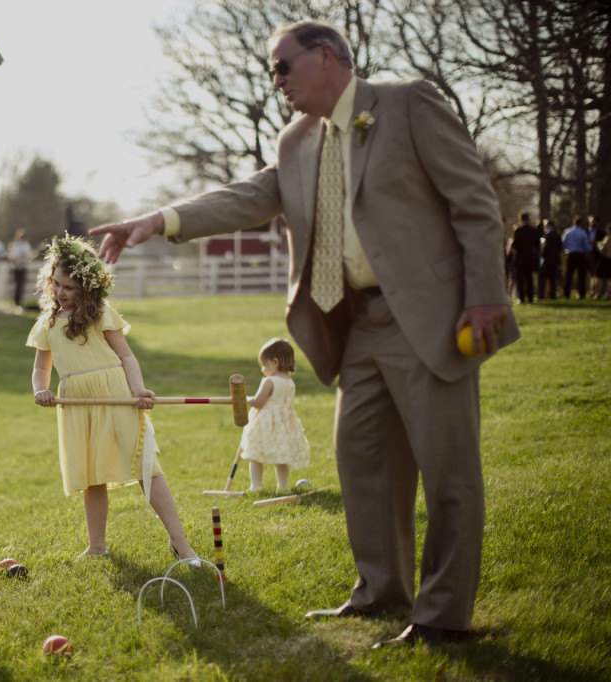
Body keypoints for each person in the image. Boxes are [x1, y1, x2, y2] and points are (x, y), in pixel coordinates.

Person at [90, 20, 519, 647]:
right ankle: (380, 593)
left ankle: (443, 618)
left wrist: (485, 296)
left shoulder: (407, 103)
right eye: (272, 71)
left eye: (282, 67)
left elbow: (476, 202)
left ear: (326, 57)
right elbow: (247, 197)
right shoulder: (297, 142)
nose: (276, 80)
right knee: (363, 460)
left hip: (430, 316)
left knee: (447, 471)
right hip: (359, 327)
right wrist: (157, 221)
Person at [27, 234, 199, 563]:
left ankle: (181, 544)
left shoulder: (100, 314)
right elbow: (40, 367)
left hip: (116, 394)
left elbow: (128, 357)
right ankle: (97, 545)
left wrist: (138, 390)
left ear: (87, 288)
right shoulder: (46, 324)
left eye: (69, 288)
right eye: (57, 284)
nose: (61, 293)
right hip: (78, 403)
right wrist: (41, 390)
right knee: (92, 476)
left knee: (146, 465)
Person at [239, 338, 311, 494]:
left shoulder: (269, 381)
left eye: (265, 365)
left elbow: (259, 402)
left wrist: (244, 399)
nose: (263, 370)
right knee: (281, 456)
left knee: (255, 454)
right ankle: (283, 486)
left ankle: (256, 486)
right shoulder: (289, 381)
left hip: (266, 424)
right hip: (284, 424)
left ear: (275, 362)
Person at [511, 212, 540, 303]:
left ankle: (522, 298)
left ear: (520, 219)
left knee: (520, 279)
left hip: (520, 258)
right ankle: (531, 297)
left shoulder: (518, 230)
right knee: (529, 278)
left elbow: (515, 245)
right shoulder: (533, 230)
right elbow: (537, 244)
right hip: (530, 257)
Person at [562, 215, 591, 300]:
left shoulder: (567, 232)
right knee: (581, 275)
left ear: (573, 222)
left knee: (568, 275)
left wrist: (567, 249)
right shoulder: (582, 233)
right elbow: (586, 245)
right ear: (581, 223)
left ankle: (566, 294)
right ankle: (581, 294)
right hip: (580, 255)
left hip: (571, 255)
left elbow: (563, 243)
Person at [7, 228, 34, 309]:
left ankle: (20, 301)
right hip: (16, 267)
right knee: (15, 285)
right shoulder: (15, 245)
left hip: (23, 267)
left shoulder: (26, 245)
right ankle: (15, 301)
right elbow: (11, 255)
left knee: (21, 285)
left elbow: (29, 255)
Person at [538, 219, 562, 300]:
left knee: (542, 278)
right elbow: (560, 247)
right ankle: (552, 294)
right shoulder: (557, 234)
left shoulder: (547, 235)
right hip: (555, 260)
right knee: (552, 279)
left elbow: (545, 248)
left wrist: (541, 255)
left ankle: (541, 295)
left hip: (547, 260)